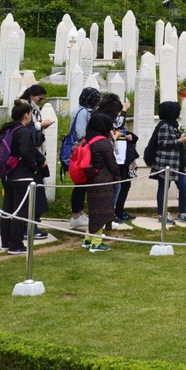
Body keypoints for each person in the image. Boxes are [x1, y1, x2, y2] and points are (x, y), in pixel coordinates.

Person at [0, 101, 41, 255]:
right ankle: (16, 245)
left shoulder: (7, 129)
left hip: (7, 173)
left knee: (7, 209)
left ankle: (5, 243)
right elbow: (25, 152)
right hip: (21, 174)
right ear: (26, 115)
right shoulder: (23, 131)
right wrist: (34, 168)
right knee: (20, 211)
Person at [94, 92, 138, 223]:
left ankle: (118, 211)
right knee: (115, 186)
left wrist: (126, 135)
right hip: (110, 156)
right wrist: (124, 111)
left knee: (124, 184)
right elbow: (116, 126)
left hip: (121, 154)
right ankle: (110, 213)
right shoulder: (102, 118)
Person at [150, 101, 186, 225]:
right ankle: (162, 214)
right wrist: (179, 140)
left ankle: (182, 212)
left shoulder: (173, 125)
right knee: (164, 188)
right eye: (177, 110)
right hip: (166, 163)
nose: (179, 112)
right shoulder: (164, 126)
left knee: (184, 187)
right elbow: (162, 143)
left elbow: (175, 139)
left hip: (177, 163)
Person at [18, 84, 53, 240]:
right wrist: (40, 125)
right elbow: (29, 134)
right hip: (31, 160)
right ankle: (30, 228)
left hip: (33, 157)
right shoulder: (26, 109)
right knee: (35, 195)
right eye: (40, 99)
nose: (40, 102)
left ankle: (30, 227)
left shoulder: (31, 108)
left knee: (35, 195)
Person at [81, 112, 119, 252]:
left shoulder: (88, 140)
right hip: (104, 180)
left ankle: (88, 239)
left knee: (94, 211)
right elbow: (112, 163)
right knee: (101, 212)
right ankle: (96, 243)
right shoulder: (103, 142)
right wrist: (118, 177)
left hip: (92, 178)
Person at [63, 86, 101, 229]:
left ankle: (80, 213)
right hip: (81, 151)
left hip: (82, 150)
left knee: (83, 184)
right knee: (80, 184)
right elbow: (81, 133)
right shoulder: (83, 112)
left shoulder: (84, 111)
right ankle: (76, 216)